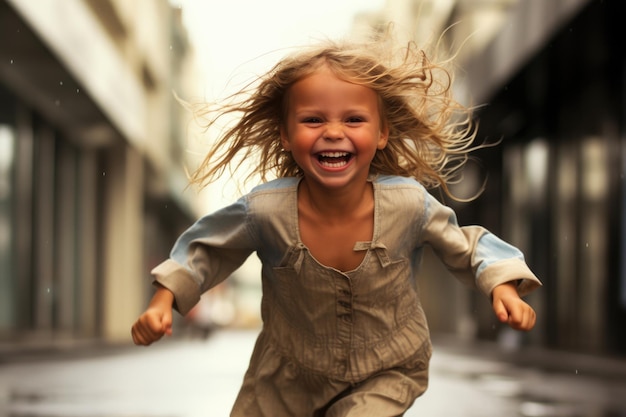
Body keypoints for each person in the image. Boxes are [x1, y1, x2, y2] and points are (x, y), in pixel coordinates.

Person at [131, 34, 542, 416]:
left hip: (387, 367)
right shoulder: (266, 211)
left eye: (353, 120)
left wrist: (501, 283)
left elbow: (467, 244)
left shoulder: (407, 203)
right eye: (312, 120)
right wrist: (163, 300)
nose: (332, 132)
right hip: (284, 376)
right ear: (286, 135)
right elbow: (206, 246)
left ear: (381, 133)